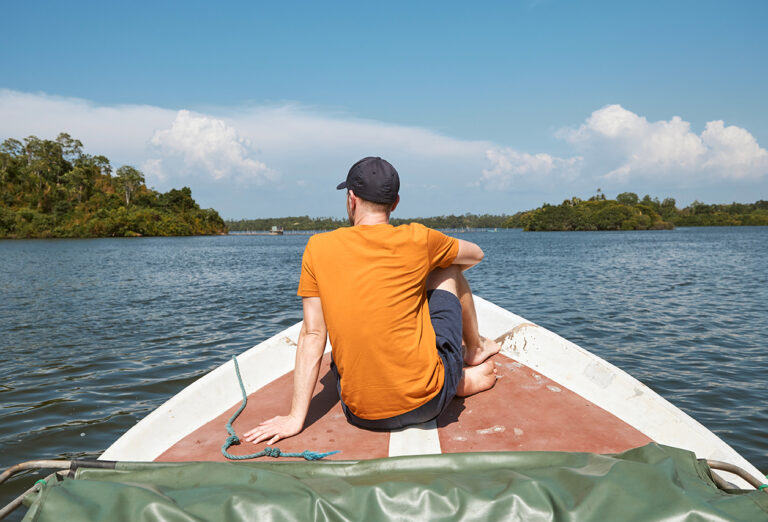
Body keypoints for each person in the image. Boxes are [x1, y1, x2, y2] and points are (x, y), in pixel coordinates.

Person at [244, 157, 499, 445]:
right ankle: (473, 352)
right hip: (430, 402)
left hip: (361, 414)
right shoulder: (419, 238)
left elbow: (314, 334)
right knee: (448, 265)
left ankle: (453, 378)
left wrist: (294, 418)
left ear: (351, 198)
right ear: (395, 203)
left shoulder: (317, 247)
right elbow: (476, 254)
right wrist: (426, 265)